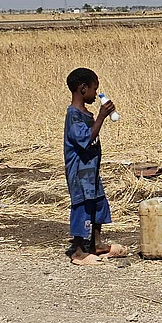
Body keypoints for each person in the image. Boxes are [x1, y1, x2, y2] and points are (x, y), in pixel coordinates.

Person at [63, 68, 126, 266]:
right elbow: (85, 139)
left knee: (98, 203)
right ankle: (79, 252)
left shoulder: (84, 114)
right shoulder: (73, 115)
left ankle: (96, 244)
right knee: (82, 206)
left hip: (91, 171)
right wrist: (101, 117)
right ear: (83, 88)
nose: (95, 93)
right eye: (94, 89)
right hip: (79, 172)